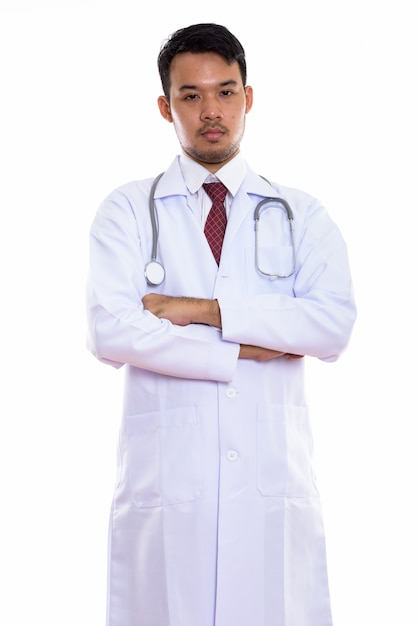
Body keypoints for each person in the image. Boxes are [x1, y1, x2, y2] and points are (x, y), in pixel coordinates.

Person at [86, 22, 356, 626]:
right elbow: (111, 330)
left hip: (269, 489)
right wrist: (249, 346)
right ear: (166, 106)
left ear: (248, 97)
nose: (212, 111)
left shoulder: (300, 214)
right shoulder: (129, 210)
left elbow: (332, 325)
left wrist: (200, 312)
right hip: (169, 495)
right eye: (191, 95)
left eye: (226, 92)